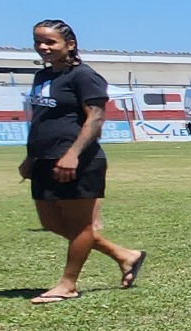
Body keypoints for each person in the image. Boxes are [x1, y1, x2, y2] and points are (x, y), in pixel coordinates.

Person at [21, 18, 145, 305]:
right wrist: (30, 157)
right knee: (51, 222)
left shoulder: (84, 76)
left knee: (80, 226)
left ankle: (68, 284)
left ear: (70, 44)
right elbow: (41, 120)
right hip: (44, 159)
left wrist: (72, 154)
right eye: (38, 41)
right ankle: (125, 255)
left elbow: (96, 118)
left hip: (78, 160)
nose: (43, 47)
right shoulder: (42, 77)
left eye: (50, 42)